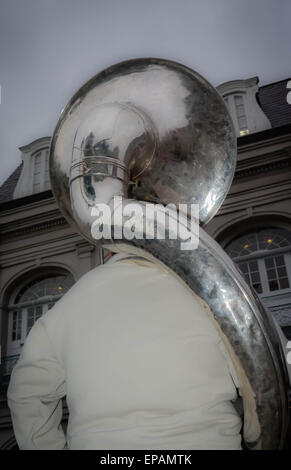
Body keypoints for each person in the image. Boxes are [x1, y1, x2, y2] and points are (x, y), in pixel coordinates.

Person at [7, 252, 242, 450]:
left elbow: (25, 393)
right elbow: (262, 375)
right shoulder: (208, 287)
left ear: (107, 250)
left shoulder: (68, 304)